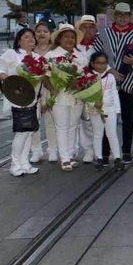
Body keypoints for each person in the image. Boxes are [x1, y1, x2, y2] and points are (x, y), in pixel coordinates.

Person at [94, 3, 133, 163]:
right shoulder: (104, 34)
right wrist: (109, 69)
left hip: (128, 82)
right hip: (107, 83)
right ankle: (105, 151)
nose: (122, 18)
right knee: (106, 118)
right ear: (114, 17)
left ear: (130, 17)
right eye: (119, 15)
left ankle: (126, 151)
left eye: (125, 15)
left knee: (128, 118)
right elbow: (95, 54)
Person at [0, 28, 41, 176]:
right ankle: (15, 164)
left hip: (32, 99)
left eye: (32, 37)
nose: (31, 39)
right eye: (27, 37)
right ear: (19, 40)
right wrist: (5, 78)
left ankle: (24, 163)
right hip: (17, 98)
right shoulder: (12, 54)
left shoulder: (38, 57)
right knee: (21, 132)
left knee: (28, 132)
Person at [47, 23, 88, 171]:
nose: (69, 40)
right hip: (60, 96)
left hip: (77, 96)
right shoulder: (51, 55)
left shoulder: (80, 55)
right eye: (66, 37)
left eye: (72, 37)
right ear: (59, 39)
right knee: (62, 127)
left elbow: (86, 75)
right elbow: (45, 76)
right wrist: (52, 89)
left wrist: (81, 85)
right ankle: (64, 158)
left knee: (73, 126)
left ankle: (70, 155)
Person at [88, 52, 123, 171]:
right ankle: (99, 158)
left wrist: (117, 110)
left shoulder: (111, 77)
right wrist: (93, 104)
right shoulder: (88, 77)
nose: (101, 66)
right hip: (95, 110)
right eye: (98, 63)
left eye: (104, 63)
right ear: (92, 64)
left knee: (112, 134)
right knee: (98, 134)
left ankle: (117, 157)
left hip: (110, 109)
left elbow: (114, 93)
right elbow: (86, 95)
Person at [29, 22, 58, 163]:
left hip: (50, 89)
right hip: (33, 90)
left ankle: (52, 150)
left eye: (45, 31)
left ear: (50, 34)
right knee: (34, 120)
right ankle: (36, 150)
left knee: (50, 120)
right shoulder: (29, 51)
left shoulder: (56, 51)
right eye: (38, 31)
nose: (41, 34)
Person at [75, 15, 99, 164]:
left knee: (95, 119)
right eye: (84, 27)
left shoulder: (99, 44)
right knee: (83, 119)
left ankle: (98, 149)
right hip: (77, 87)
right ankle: (88, 150)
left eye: (91, 27)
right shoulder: (74, 46)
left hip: (95, 86)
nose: (88, 30)